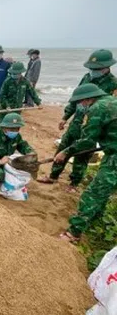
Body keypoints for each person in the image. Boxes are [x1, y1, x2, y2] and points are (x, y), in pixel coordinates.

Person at [38, 49, 117, 191]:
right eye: (91, 68)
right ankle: (53, 176)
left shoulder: (113, 84)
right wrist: (65, 117)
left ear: (107, 67)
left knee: (83, 154)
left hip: (94, 124)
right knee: (63, 147)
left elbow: (111, 111)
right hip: (77, 121)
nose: (93, 71)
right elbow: (76, 99)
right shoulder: (86, 78)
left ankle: (74, 183)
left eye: (96, 69)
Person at [54, 84, 117, 243]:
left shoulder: (96, 109)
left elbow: (87, 140)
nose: (80, 105)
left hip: (115, 158)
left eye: (80, 102)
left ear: (88, 99)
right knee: (104, 190)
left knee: (93, 194)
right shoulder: (111, 100)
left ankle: (73, 234)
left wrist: (66, 152)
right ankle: (96, 222)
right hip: (112, 150)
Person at [0, 61, 42, 127]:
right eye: (12, 73)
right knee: (2, 125)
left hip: (17, 109)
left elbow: (32, 92)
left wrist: (38, 103)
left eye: (15, 73)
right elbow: (2, 96)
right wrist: (6, 106)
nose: (14, 74)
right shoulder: (7, 81)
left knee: (14, 125)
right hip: (6, 109)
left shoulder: (25, 81)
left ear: (20, 73)